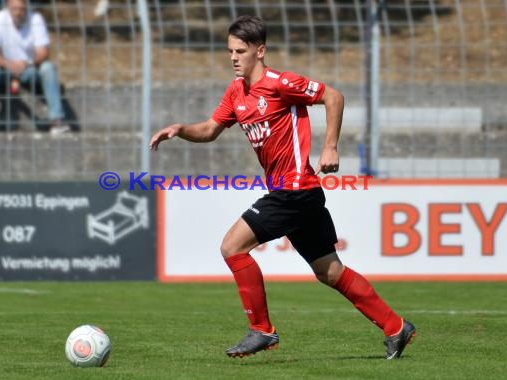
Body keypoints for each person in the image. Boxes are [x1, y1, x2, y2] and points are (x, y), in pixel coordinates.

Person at [149, 15, 416, 359]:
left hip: (294, 190)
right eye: (230, 50)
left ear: (260, 51)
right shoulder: (236, 92)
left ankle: (262, 329)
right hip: (298, 194)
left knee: (232, 247)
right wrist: (180, 129)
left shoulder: (280, 83)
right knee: (329, 271)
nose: (233, 57)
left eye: (241, 51)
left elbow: (333, 97)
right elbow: (211, 130)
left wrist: (330, 145)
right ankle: (396, 326)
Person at [0, 0, 69, 135]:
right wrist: (8, 64)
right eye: (14, 9)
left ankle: (57, 120)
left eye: (22, 9)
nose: (18, 13)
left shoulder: (36, 19)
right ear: (7, 7)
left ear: (27, 7)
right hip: (4, 69)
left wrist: (27, 63)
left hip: (28, 69)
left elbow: (43, 52)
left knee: (48, 67)